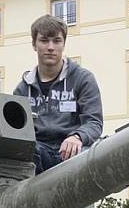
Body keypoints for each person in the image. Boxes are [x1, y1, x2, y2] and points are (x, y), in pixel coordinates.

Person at [13, 15, 103, 173]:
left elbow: (94, 122)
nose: (50, 47)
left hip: (74, 149)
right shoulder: (22, 90)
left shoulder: (83, 79)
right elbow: (18, 131)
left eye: (56, 41)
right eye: (44, 40)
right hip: (39, 151)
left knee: (91, 158)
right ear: (34, 44)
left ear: (63, 44)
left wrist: (77, 137)